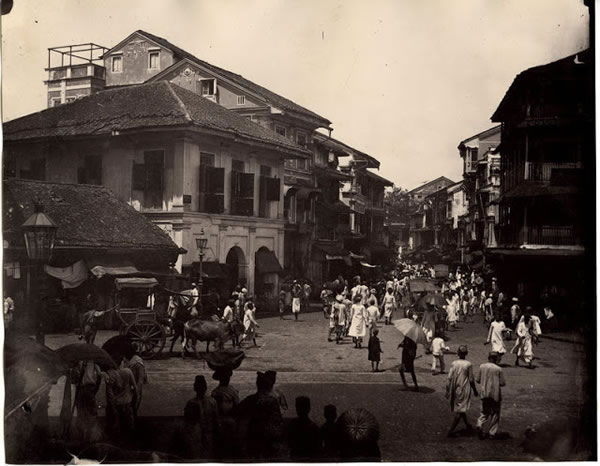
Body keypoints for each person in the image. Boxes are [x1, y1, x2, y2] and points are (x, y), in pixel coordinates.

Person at [236, 371, 284, 460]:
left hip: (255, 439)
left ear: (257, 384)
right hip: (266, 440)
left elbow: (236, 411)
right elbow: (278, 422)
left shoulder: (250, 400)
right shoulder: (273, 401)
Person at [446, 345, 479, 437]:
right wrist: (475, 390)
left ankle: (467, 425)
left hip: (455, 388)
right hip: (464, 388)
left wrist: (447, 389)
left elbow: (449, 377)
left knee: (461, 408)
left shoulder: (454, 363)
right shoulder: (468, 364)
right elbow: (471, 379)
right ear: (466, 353)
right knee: (460, 410)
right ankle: (451, 430)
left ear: (458, 353)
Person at [184, 375, 219, 460]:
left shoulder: (191, 403)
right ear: (206, 387)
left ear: (195, 388)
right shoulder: (212, 402)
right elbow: (216, 421)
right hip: (208, 436)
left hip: (196, 436)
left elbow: (187, 423)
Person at [104, 364, 137, 446]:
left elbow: (109, 393)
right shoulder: (128, 371)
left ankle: (118, 444)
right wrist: (134, 398)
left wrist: (111, 405)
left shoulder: (110, 374)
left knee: (116, 424)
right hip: (127, 402)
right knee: (129, 424)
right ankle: (130, 443)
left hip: (116, 404)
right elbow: (135, 388)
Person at [211, 368, 240, 460]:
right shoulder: (218, 391)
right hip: (223, 421)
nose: (227, 379)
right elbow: (237, 405)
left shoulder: (216, 391)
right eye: (226, 377)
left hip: (226, 421)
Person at [476, 352, 506, 440]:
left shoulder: (482, 366)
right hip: (495, 395)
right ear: (495, 358)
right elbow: (502, 383)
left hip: (484, 393)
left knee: (484, 413)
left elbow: (478, 380)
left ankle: (479, 424)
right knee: (495, 414)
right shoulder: (498, 369)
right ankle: (492, 433)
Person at [74, 360, 102, 443]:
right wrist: (96, 388)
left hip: (81, 390)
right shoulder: (93, 362)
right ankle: (90, 437)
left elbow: (75, 377)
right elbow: (99, 374)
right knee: (91, 413)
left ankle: (82, 436)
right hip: (90, 389)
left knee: (81, 412)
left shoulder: (79, 362)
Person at [287, 396, 321, 461]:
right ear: (309, 408)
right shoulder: (314, 427)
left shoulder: (292, 424)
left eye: (298, 406)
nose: (297, 409)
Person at [124, 346, 148, 418]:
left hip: (134, 388)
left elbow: (140, 379)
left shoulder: (137, 363)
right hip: (129, 387)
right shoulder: (130, 361)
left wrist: (137, 390)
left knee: (133, 407)